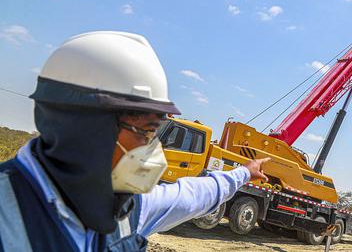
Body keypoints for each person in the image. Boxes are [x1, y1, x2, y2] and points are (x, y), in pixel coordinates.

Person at [0, 31, 270, 251]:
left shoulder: (129, 211)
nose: (154, 150)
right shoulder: (7, 216)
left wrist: (244, 173)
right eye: (146, 131)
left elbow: (193, 195)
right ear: (86, 128)